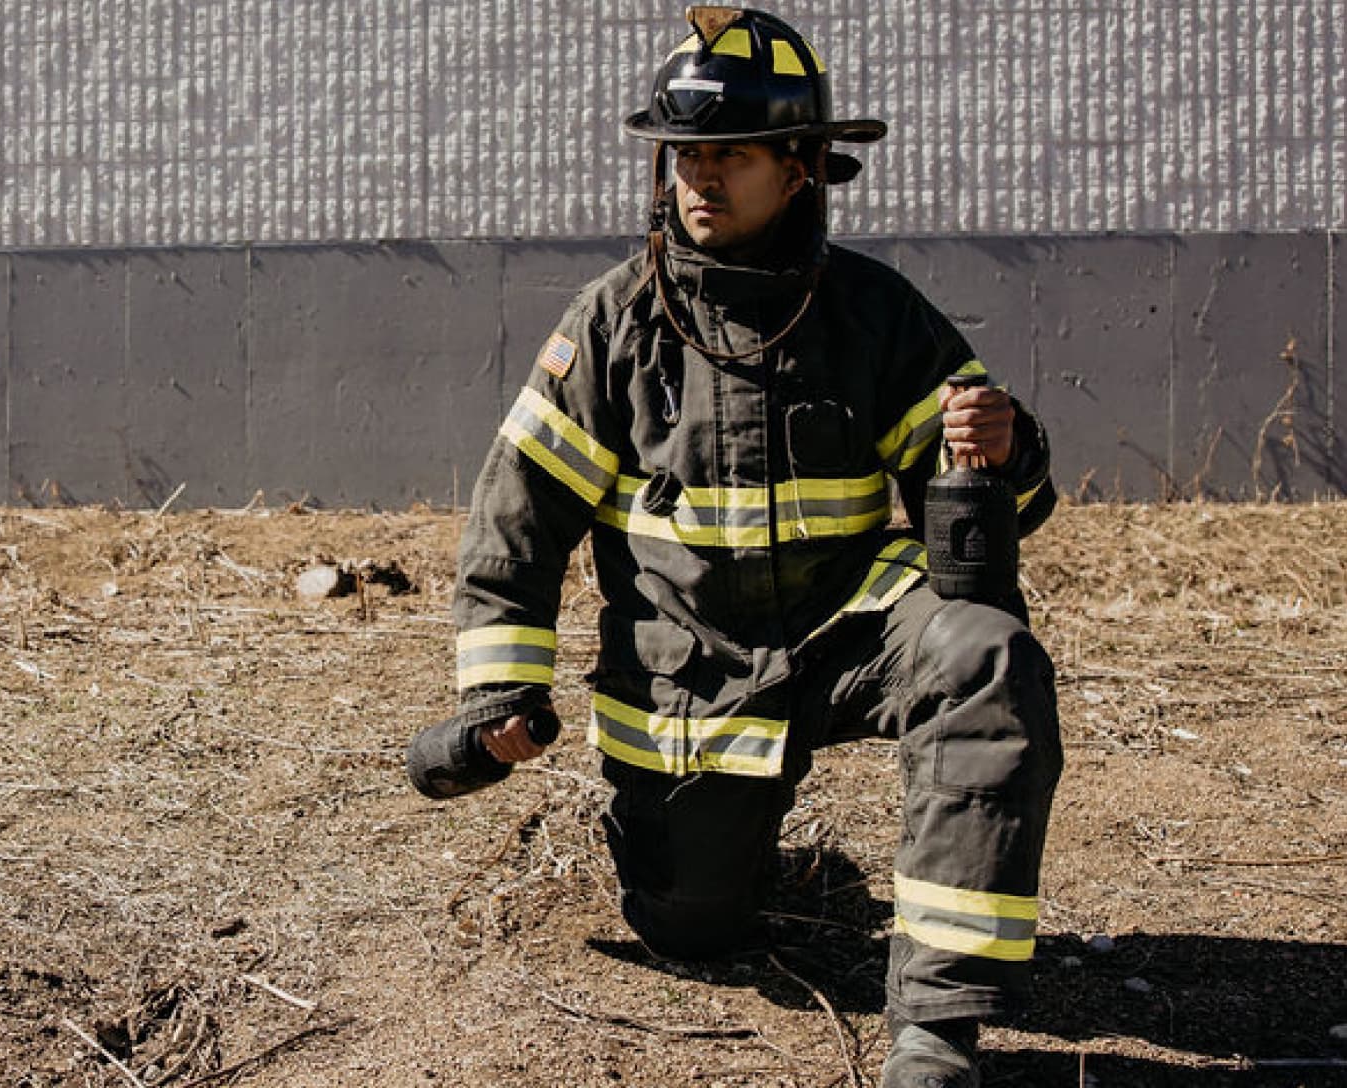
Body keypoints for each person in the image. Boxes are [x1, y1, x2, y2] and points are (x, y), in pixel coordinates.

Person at [450, 8, 1061, 1086]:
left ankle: (936, 1028)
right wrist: (494, 699)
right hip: (688, 686)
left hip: (845, 631)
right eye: (683, 155)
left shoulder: (872, 312)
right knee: (695, 929)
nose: (698, 179)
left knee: (983, 653)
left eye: (727, 154)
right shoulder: (612, 325)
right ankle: (751, 862)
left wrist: (1004, 453)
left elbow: (977, 495)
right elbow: (518, 515)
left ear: (801, 169)